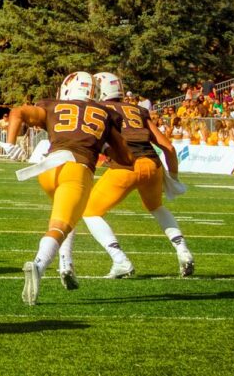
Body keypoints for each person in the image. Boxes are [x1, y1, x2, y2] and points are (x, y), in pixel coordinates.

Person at [1, 71, 136, 304]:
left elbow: (18, 112)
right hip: (76, 170)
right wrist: (103, 146)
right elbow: (126, 157)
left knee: (67, 216)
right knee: (59, 226)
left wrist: (10, 144)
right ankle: (39, 265)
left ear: (67, 88)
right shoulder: (105, 113)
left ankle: (66, 263)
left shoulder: (53, 106)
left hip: (48, 169)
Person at [71, 72, 194, 280]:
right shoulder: (138, 110)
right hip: (152, 165)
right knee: (157, 207)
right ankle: (183, 250)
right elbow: (168, 147)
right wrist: (173, 177)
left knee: (89, 211)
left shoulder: (98, 109)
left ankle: (120, 260)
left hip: (125, 166)